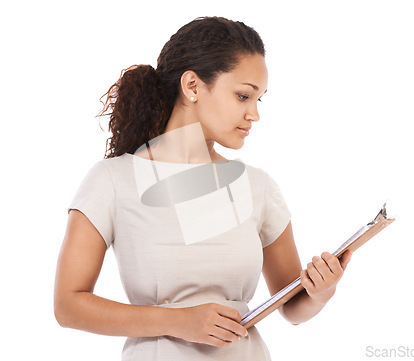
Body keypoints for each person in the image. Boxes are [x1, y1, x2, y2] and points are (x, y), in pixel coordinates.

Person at [54, 16, 353, 360]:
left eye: (259, 100)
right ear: (193, 86)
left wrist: (319, 293)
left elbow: (290, 306)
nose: (254, 114)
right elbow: (69, 305)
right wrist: (178, 321)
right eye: (243, 96)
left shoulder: (258, 186)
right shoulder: (113, 180)